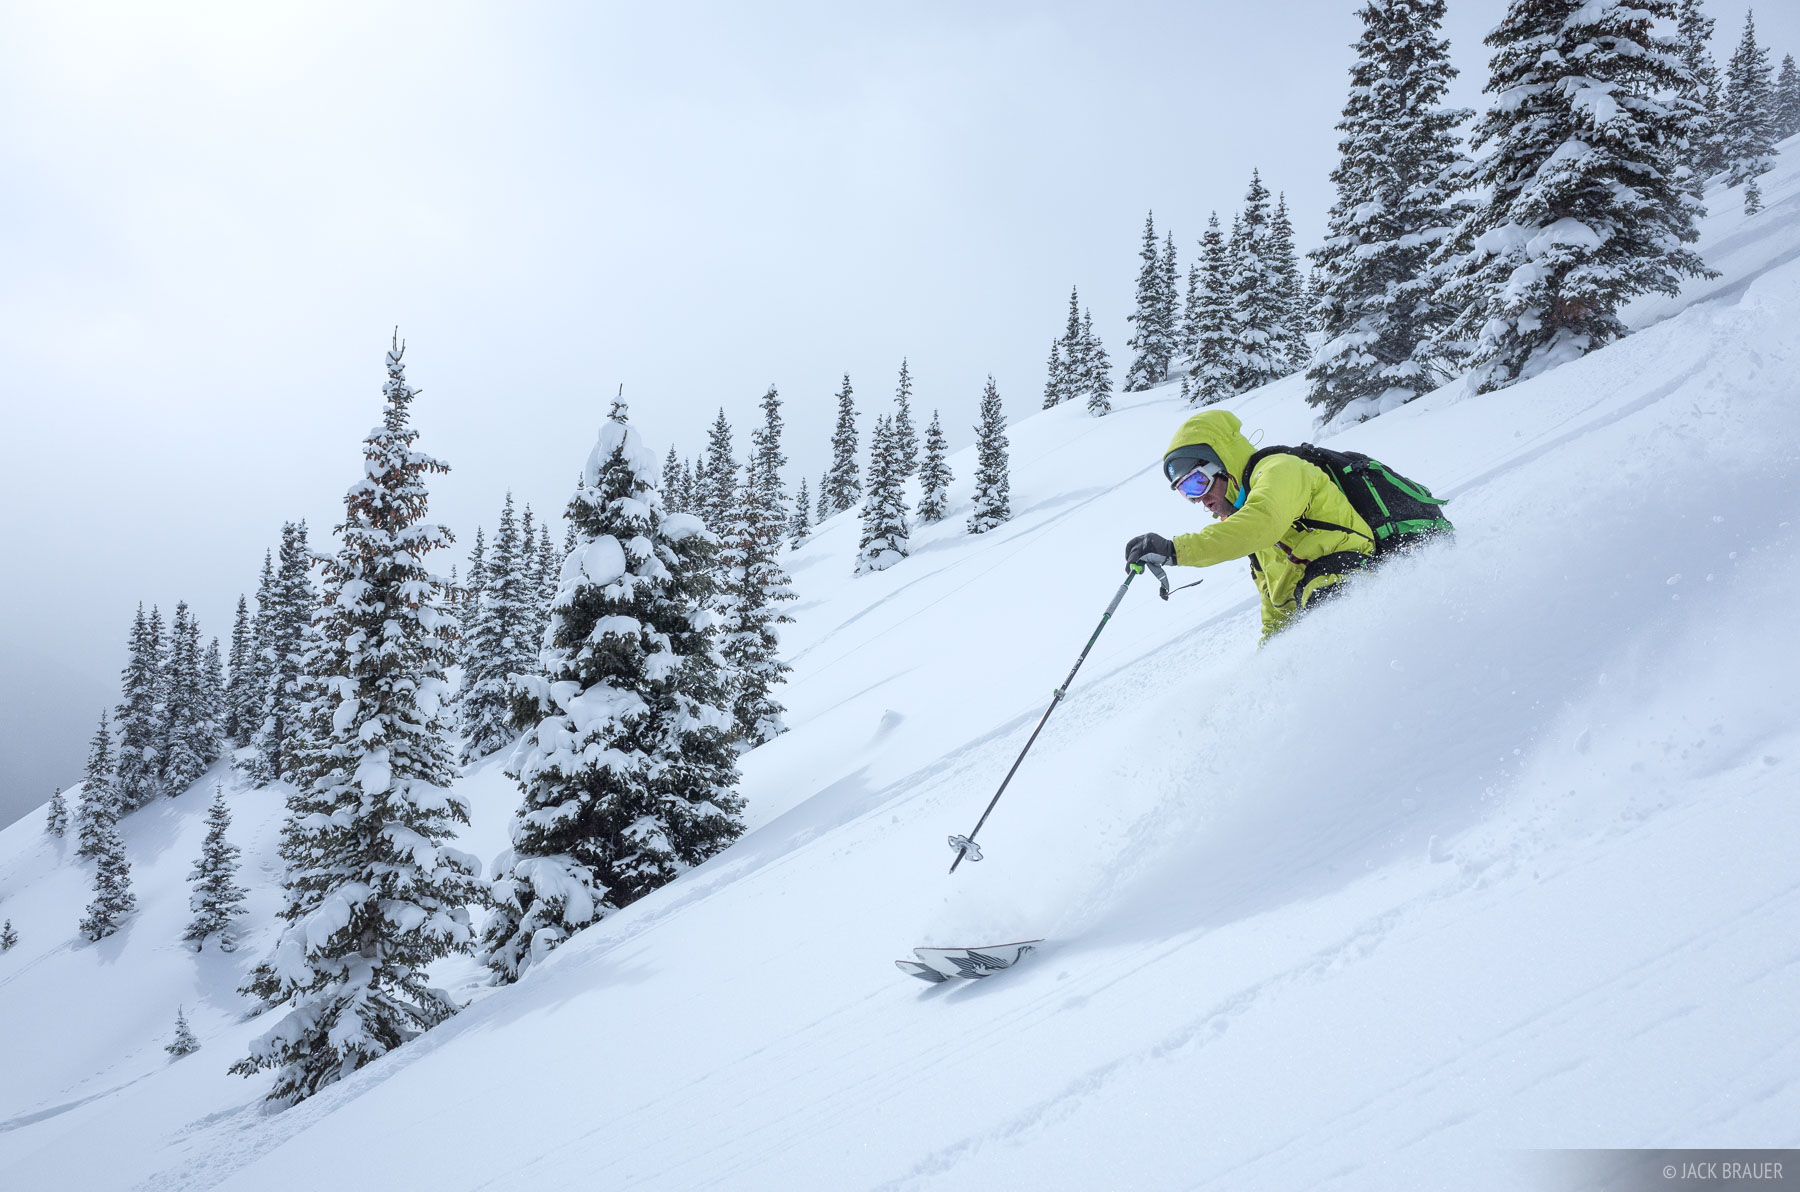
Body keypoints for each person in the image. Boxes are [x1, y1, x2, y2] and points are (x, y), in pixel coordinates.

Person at [1125, 409, 1379, 642]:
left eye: (1198, 483)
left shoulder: (1281, 469)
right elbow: (1277, 612)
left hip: (1347, 573)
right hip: (1315, 593)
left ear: (1223, 466)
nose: (1199, 499)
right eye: (1186, 492)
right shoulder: (1253, 538)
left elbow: (1262, 522)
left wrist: (1174, 550)